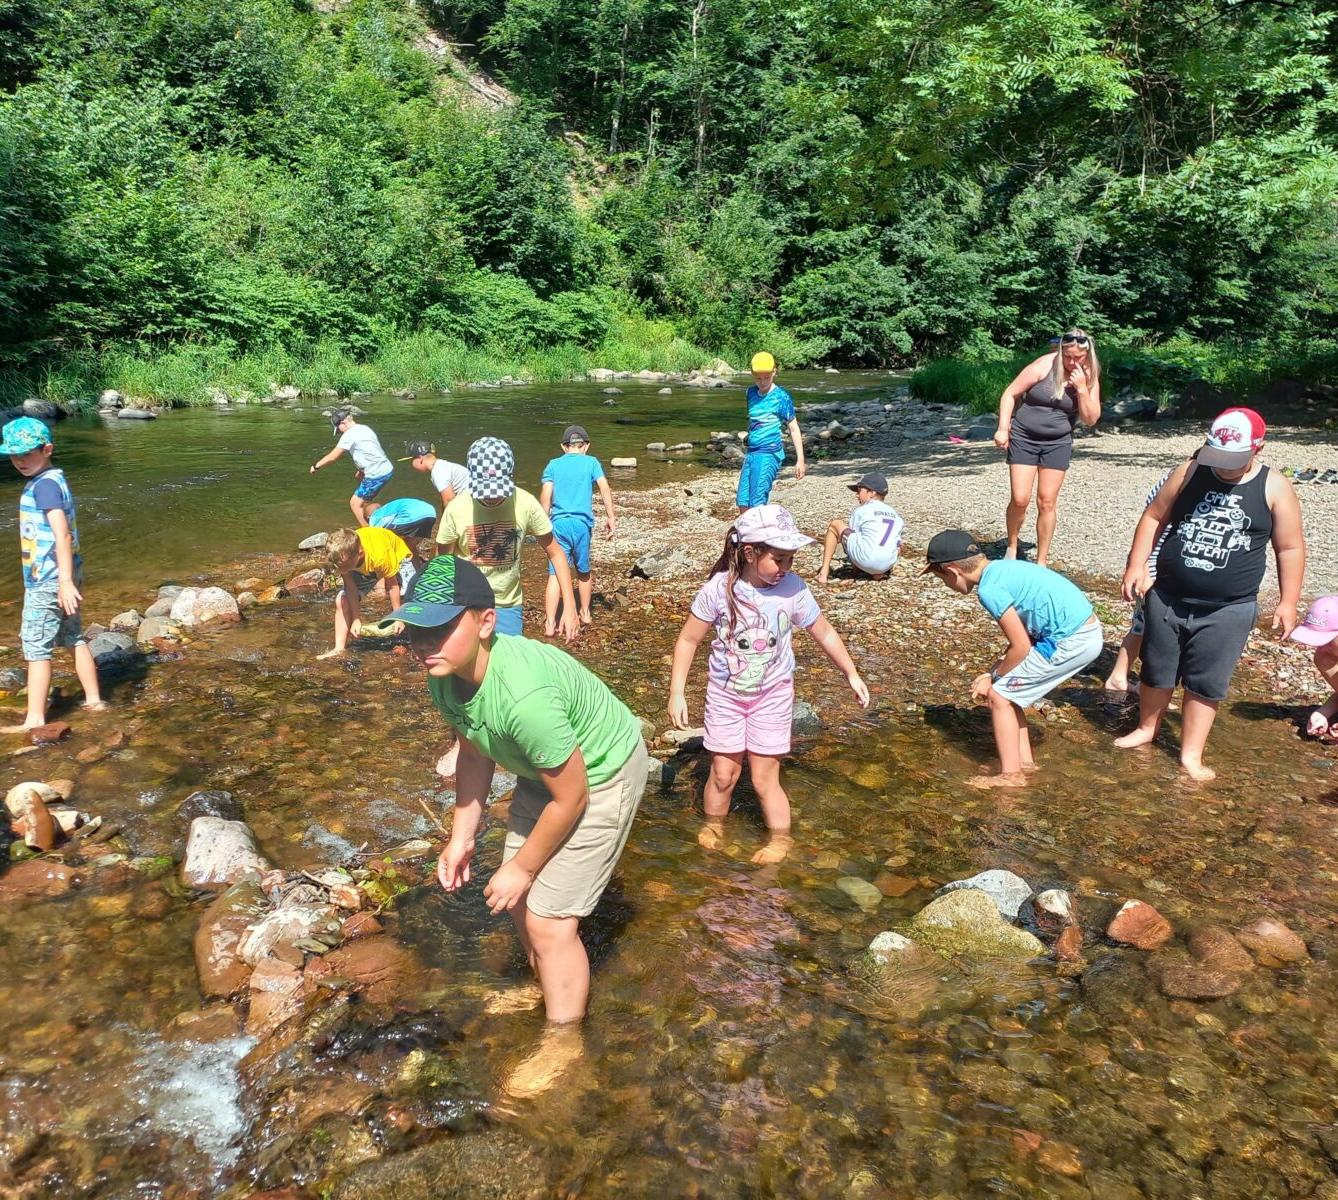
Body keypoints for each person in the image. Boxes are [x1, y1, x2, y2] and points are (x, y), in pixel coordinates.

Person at [390, 554, 648, 1097]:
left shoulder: (524, 697)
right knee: (519, 903)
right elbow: (475, 750)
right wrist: (461, 838)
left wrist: (524, 865)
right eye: (416, 629)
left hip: (601, 773)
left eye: (439, 627)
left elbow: (573, 796)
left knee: (551, 921)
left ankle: (564, 1042)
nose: (423, 642)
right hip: (547, 773)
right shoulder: (445, 672)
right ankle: (546, 989)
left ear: (486, 622)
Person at [667, 505, 869, 862]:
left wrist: (850, 672)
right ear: (749, 552)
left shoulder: (792, 588)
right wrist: (677, 693)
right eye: (779, 559)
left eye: (791, 559)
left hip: (772, 696)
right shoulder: (719, 589)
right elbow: (687, 640)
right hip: (726, 697)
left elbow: (822, 631)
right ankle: (715, 825)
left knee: (764, 778)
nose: (786, 567)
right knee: (723, 772)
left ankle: (780, 840)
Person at [1116, 408, 1305, 780]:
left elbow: (1290, 548)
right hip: (1167, 595)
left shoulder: (1274, 486)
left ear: (1258, 448)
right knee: (1156, 670)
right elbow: (1154, 517)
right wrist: (1136, 565)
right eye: (1215, 456)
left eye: (1232, 460)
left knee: (1207, 681)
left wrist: (1288, 601)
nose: (1222, 466)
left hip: (1228, 608)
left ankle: (1191, 753)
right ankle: (1146, 728)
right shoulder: (1189, 472)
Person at [922, 529, 1103, 789]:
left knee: (1000, 697)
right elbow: (1021, 642)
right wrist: (994, 671)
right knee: (1011, 691)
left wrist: (993, 679)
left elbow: (1021, 647)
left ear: (953, 571)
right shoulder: (1002, 569)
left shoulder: (989, 590)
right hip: (1085, 631)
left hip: (1071, 640)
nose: (946, 585)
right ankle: (1025, 764)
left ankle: (1010, 776)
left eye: (942, 579)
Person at [0, 417, 106, 731]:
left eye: (27, 454)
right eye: (13, 455)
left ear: (47, 450)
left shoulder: (44, 486)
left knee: (35, 647)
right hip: (64, 575)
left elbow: (62, 534)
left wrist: (62, 582)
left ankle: (34, 719)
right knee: (73, 636)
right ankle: (94, 699)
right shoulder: (53, 478)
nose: (19, 461)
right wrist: (68, 579)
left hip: (49, 580)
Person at [435, 437, 578, 643]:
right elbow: (441, 562)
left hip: (508, 604)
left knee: (508, 669)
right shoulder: (456, 508)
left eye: (497, 490)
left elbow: (556, 553)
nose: (492, 498)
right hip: (465, 603)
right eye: (485, 491)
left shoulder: (525, 503)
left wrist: (570, 607)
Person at [993, 330, 1103, 565]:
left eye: (1078, 358)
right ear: (1060, 351)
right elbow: (1009, 394)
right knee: (1020, 498)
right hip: (1024, 436)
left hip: (1058, 442)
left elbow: (1091, 418)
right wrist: (1003, 427)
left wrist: (1082, 389)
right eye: (1067, 356)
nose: (1072, 362)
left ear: (1087, 354)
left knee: (1047, 501)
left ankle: (1041, 560)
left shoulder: (1089, 376)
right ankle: (1012, 546)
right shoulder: (1043, 366)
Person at [1104, 458, 1195, 693]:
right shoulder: (1179, 479)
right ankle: (1123, 677)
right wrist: (1143, 568)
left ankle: (1126, 676)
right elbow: (1153, 525)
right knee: (1145, 627)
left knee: (1143, 627)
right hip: (1154, 568)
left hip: (1165, 569)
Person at [539, 425, 616, 635]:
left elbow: (546, 496)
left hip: (559, 524)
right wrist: (610, 517)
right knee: (583, 571)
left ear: (564, 447)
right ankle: (585, 613)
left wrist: (541, 522)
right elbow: (604, 487)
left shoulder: (553, 465)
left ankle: (549, 625)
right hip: (582, 525)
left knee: (555, 573)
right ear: (586, 446)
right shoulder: (591, 462)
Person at [316, 525, 418, 660]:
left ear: (360, 553)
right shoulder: (343, 558)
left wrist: (398, 617)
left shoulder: (380, 556)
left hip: (396, 556)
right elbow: (351, 589)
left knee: (412, 597)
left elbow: (393, 586)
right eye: (338, 567)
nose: (341, 570)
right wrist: (357, 619)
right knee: (342, 600)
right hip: (362, 564)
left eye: (344, 566)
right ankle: (339, 649)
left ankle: (420, 642)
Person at [736, 351, 806, 511]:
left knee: (757, 502)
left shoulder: (781, 397)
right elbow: (754, 420)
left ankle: (758, 534)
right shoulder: (751, 393)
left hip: (769, 453)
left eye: (766, 377)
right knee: (743, 501)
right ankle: (747, 534)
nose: (762, 382)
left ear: (774, 371)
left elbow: (794, 428)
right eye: (758, 378)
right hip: (752, 452)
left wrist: (800, 460)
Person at [816, 471, 904, 584]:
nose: (856, 495)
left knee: (836, 525)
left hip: (866, 560)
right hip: (886, 564)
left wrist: (855, 570)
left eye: (859, 491)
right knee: (897, 543)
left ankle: (824, 573)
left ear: (871, 493)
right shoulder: (894, 514)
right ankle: (878, 573)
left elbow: (856, 536)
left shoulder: (862, 510)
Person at [310, 410, 394, 527]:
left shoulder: (349, 434)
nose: (339, 432)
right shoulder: (364, 428)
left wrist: (316, 466)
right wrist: (362, 471)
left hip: (376, 474)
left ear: (343, 423)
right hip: (385, 469)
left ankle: (369, 533)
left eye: (338, 430)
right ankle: (381, 522)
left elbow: (333, 456)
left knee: (355, 503)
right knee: (364, 502)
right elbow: (370, 451)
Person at [1290, 595, 1338, 742]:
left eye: (1328, 641)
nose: (1322, 647)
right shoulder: (1325, 656)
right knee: (1324, 658)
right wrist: (1323, 713)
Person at [402, 440, 469, 508]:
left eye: (411, 460)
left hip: (470, 502)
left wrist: (444, 518)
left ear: (420, 458)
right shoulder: (443, 465)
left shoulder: (438, 472)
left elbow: (449, 500)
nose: (411, 464)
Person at [369, 496, 439, 542]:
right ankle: (416, 564)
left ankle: (402, 561)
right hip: (431, 514)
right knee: (409, 547)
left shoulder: (375, 516)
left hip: (413, 516)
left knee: (391, 540)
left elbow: (374, 533)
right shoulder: (388, 508)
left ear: (368, 517)